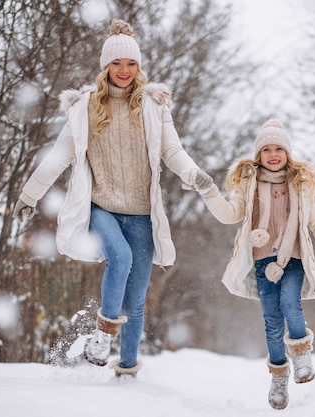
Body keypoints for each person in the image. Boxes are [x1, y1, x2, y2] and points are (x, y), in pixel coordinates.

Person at [12, 19, 209, 378]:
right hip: (102, 209)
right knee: (119, 257)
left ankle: (128, 370)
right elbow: (58, 157)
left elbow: (173, 150)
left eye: (131, 64)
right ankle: (102, 337)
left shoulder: (153, 106)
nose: (124, 71)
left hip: (141, 216)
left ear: (139, 67)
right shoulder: (85, 109)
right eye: (117, 64)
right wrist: (30, 194)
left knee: (135, 301)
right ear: (105, 67)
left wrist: (193, 174)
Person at [185, 119, 315, 409]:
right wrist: (208, 190)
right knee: (272, 323)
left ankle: (301, 355)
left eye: (279, 149)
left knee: (290, 303)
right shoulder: (249, 185)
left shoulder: (301, 185)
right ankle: (279, 379)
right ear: (258, 155)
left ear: (288, 153)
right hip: (262, 262)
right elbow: (229, 214)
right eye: (267, 150)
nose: (273, 155)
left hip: (294, 259)